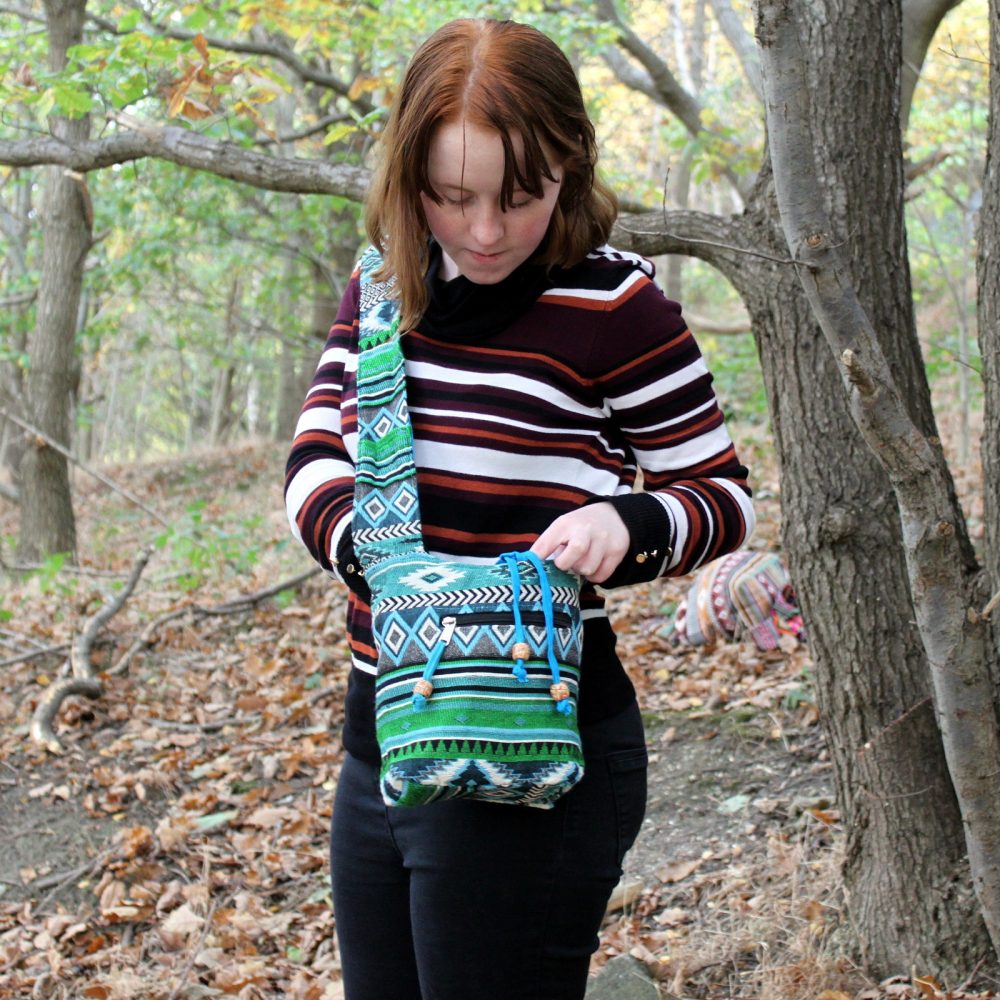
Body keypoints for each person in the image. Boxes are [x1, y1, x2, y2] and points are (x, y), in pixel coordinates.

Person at [285, 17, 754, 1000]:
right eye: (451, 197)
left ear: (567, 169)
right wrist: (363, 545)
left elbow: (720, 499)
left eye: (518, 196)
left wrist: (624, 527)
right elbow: (314, 452)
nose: (485, 230)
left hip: (531, 745)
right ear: (409, 178)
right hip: (382, 736)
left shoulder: (616, 308)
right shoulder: (382, 286)